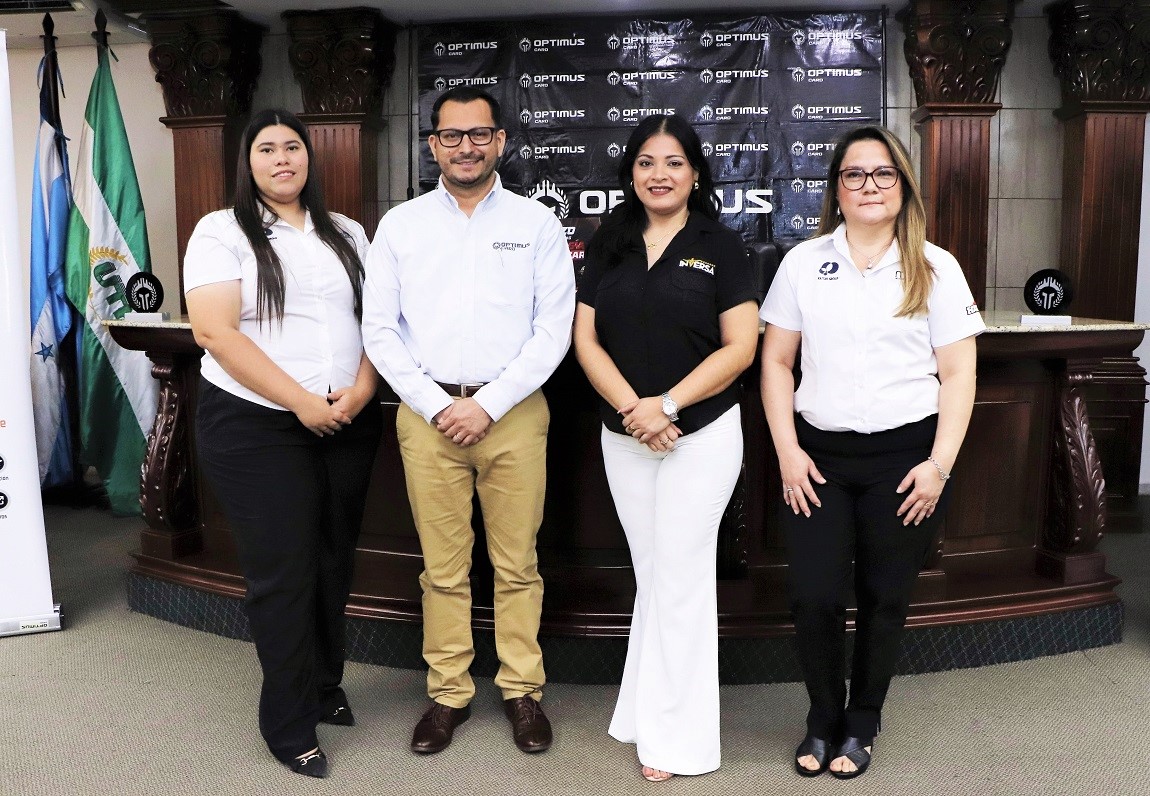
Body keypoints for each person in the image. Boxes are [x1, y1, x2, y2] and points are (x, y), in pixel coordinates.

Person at [759, 125, 984, 779]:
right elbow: (776, 362)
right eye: (854, 174)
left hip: (906, 461)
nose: (869, 186)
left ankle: (862, 722)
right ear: (836, 189)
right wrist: (787, 452)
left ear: (903, 185)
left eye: (883, 173)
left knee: (885, 598)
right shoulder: (804, 263)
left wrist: (939, 466)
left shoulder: (936, 266)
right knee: (814, 597)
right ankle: (822, 717)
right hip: (817, 461)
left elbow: (959, 374)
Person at [361, 86, 575, 756]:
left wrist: (487, 403)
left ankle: (522, 691)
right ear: (433, 145)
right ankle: (448, 693)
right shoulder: (401, 226)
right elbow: (379, 330)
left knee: (518, 565)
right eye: (451, 136)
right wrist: (437, 404)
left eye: (479, 134)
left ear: (500, 141)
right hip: (427, 418)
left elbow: (554, 329)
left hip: (513, 413)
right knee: (443, 569)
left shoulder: (537, 223)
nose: (466, 147)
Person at [184, 109, 382, 779]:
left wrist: (360, 392)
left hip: (346, 418)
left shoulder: (347, 232)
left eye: (292, 146)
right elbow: (214, 332)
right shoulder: (221, 231)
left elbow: (378, 321)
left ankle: (325, 686)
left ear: (309, 157)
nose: (281, 159)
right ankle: (288, 722)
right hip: (256, 425)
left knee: (332, 561)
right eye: (266, 149)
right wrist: (300, 401)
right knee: (284, 574)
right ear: (248, 162)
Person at [573, 114, 759, 782]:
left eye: (674, 162)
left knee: (680, 578)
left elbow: (742, 347)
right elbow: (586, 340)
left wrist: (669, 405)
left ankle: (679, 741)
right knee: (654, 574)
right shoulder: (608, 244)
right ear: (630, 174)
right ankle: (642, 710)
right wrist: (636, 410)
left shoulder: (722, 245)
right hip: (625, 436)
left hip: (700, 435)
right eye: (647, 162)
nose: (660, 174)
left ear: (696, 173)